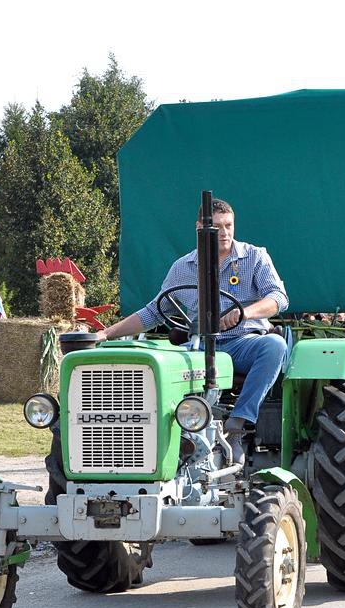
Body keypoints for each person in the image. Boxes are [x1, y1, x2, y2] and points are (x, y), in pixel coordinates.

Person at [96, 198, 288, 463]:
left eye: (229, 225)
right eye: (217, 227)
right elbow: (154, 311)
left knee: (274, 346)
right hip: (197, 347)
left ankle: (238, 426)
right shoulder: (183, 267)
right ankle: (143, 438)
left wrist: (245, 312)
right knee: (155, 365)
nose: (225, 233)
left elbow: (278, 298)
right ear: (201, 228)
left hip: (242, 342)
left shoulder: (254, 257)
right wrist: (106, 333)